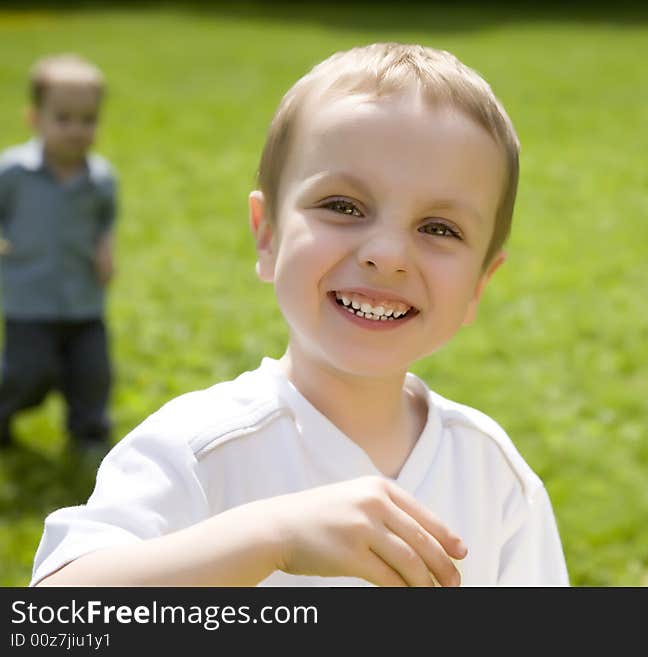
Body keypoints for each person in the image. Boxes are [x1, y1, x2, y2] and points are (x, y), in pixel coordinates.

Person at [31, 43, 568, 587]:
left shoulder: (492, 474)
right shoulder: (198, 453)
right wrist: (270, 537)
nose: (387, 253)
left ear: (479, 284)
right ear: (267, 235)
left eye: (439, 228)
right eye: (343, 206)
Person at [0, 54, 116, 452]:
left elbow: (105, 219)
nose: (77, 129)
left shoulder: (100, 179)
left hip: (83, 299)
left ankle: (89, 437)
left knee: (92, 373)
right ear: (36, 118)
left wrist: (105, 248)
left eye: (88, 119)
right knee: (27, 373)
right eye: (63, 118)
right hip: (29, 299)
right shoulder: (13, 172)